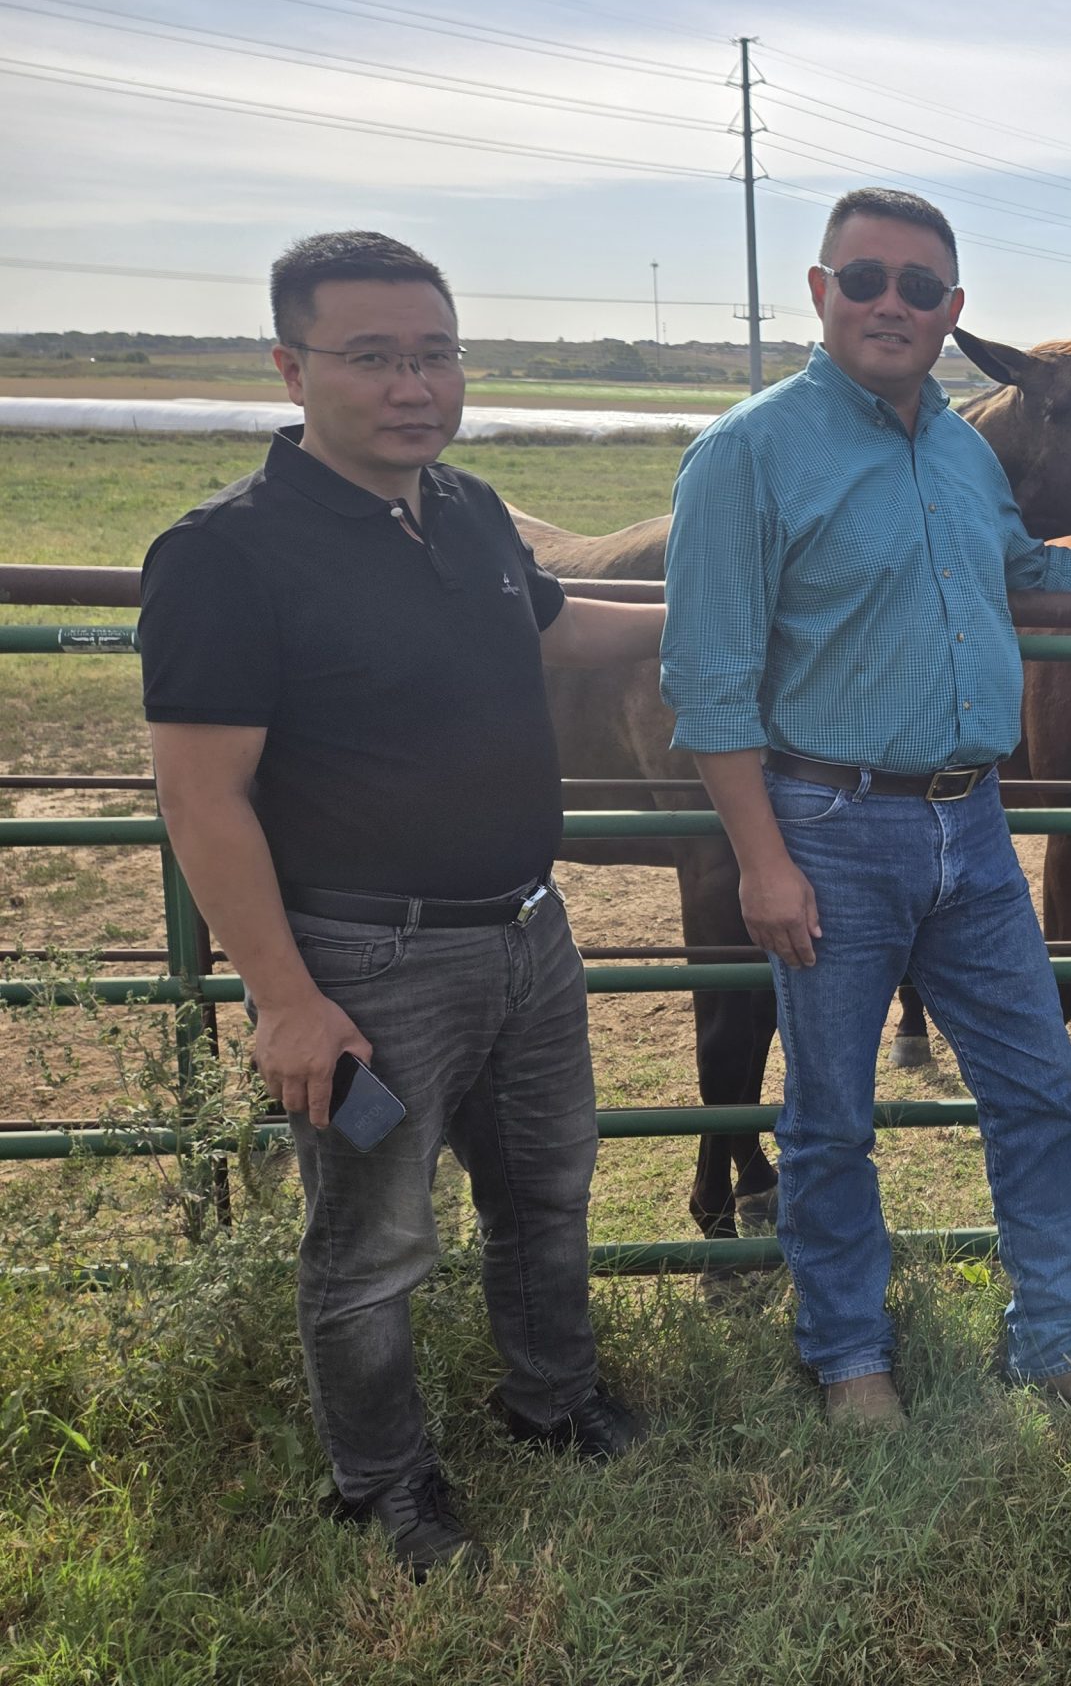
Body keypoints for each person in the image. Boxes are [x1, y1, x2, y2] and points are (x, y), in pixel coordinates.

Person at [139, 231, 669, 1577]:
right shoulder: (224, 557)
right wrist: (286, 998)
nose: (412, 385)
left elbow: (548, 627)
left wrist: (700, 615)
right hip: (363, 951)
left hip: (524, 930)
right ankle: (382, 1481)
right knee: (374, 1242)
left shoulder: (469, 510)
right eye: (371, 356)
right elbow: (203, 797)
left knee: (548, 1190)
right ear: (291, 366)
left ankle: (550, 1400)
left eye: (434, 354)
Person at [660, 187, 1071, 1429]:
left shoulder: (961, 447)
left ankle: (1064, 1342)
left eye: (920, 287)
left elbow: (1021, 571)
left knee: (1036, 1088)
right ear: (820, 292)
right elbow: (704, 680)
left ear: (953, 312)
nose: (892, 305)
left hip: (972, 822)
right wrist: (762, 859)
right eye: (866, 280)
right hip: (828, 823)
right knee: (833, 1118)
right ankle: (850, 1358)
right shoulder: (747, 452)